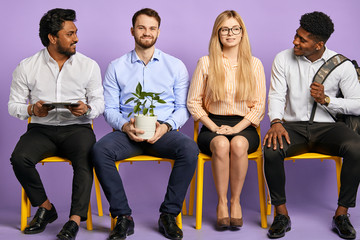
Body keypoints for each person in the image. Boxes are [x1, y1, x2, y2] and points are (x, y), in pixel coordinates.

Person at [92, 8, 198, 240]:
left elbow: (183, 108)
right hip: (128, 130)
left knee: (190, 149)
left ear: (159, 31)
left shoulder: (175, 65)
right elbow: (109, 109)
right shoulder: (116, 66)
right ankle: (122, 217)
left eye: (152, 28)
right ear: (132, 31)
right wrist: (125, 126)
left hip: (163, 131)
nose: (147, 32)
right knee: (100, 151)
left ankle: (168, 215)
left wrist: (167, 126)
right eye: (141, 27)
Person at [8, 8, 104, 240]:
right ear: (52, 38)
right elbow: (13, 106)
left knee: (86, 156)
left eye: (75, 33)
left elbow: (100, 103)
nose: (76, 39)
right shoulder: (27, 66)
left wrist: (87, 108)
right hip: (42, 129)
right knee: (19, 158)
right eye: (70, 34)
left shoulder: (89, 65)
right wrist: (32, 109)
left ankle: (74, 220)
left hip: (78, 128)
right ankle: (45, 208)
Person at [263, 11, 360, 239]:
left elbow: (357, 104)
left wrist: (328, 100)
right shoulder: (282, 58)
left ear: (319, 44)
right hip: (292, 126)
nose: (295, 41)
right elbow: (276, 95)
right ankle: (281, 214)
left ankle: (341, 214)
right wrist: (276, 121)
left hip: (328, 128)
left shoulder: (341, 65)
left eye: (302, 39)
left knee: (357, 147)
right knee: (271, 149)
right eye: (296, 35)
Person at [187, 10, 266, 229]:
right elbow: (193, 102)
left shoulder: (255, 64)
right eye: (224, 29)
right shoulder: (205, 62)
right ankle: (222, 202)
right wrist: (214, 127)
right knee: (221, 144)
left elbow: (259, 106)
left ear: (242, 33)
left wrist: (237, 128)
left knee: (239, 143)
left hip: (245, 125)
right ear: (217, 33)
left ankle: (235, 201)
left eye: (235, 29)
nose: (230, 34)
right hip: (212, 123)